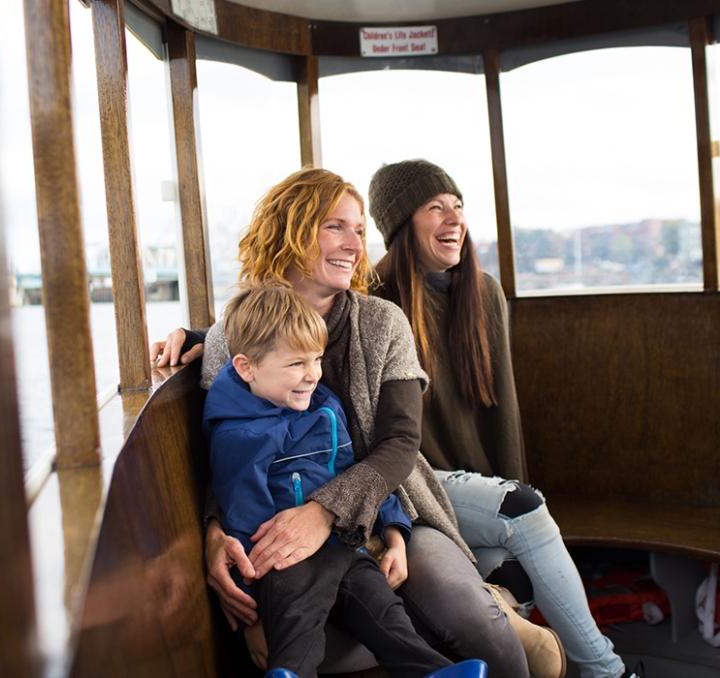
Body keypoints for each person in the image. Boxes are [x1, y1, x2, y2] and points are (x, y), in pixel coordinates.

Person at [152, 168, 561, 676]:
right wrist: (215, 531)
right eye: (335, 227)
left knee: (474, 622)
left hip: (394, 505)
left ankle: (504, 619)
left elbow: (399, 443)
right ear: (291, 232)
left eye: (360, 230)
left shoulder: (382, 321)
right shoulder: (230, 336)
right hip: (276, 526)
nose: (354, 244)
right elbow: (227, 452)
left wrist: (331, 512)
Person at [367, 159, 642, 678]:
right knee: (522, 515)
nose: (453, 218)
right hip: (411, 482)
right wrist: (202, 340)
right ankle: (607, 671)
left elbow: (501, 412)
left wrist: (511, 493)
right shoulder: (370, 300)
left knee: (515, 565)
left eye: (458, 205)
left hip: (469, 490)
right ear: (401, 225)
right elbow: (285, 317)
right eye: (434, 207)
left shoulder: (482, 291)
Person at [203, 282, 452, 678]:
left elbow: (354, 474)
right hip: (284, 564)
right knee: (301, 623)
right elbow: (242, 521)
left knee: (386, 612)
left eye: (316, 360)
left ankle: (435, 672)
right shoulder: (240, 435)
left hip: (342, 547)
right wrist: (252, 620)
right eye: (296, 364)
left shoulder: (323, 408)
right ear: (246, 368)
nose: (312, 375)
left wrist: (393, 530)